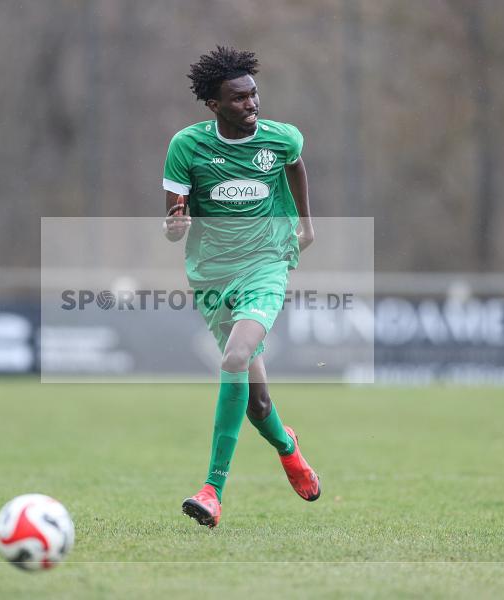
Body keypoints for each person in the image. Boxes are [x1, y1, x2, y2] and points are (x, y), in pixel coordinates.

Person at [162, 46, 320, 528]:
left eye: (254, 95)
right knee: (257, 402)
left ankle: (212, 490)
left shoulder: (281, 138)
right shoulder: (186, 147)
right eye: (238, 99)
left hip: (267, 263)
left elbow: (295, 165)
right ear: (214, 104)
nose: (251, 105)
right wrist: (176, 224)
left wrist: (306, 226)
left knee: (234, 358)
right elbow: (173, 215)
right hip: (211, 275)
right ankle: (289, 448)